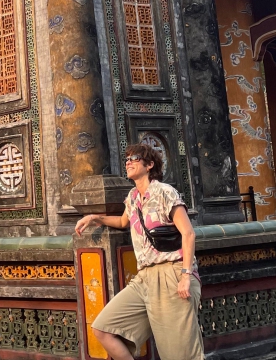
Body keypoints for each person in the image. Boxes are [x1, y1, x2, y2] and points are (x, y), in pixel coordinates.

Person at [75, 143, 203, 360]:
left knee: (179, 354)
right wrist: (94, 217)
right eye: (126, 159)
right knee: (104, 329)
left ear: (150, 164)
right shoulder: (133, 197)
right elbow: (123, 221)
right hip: (144, 278)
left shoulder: (164, 192)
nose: (128, 162)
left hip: (171, 273)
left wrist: (185, 276)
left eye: (134, 158)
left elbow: (188, 234)